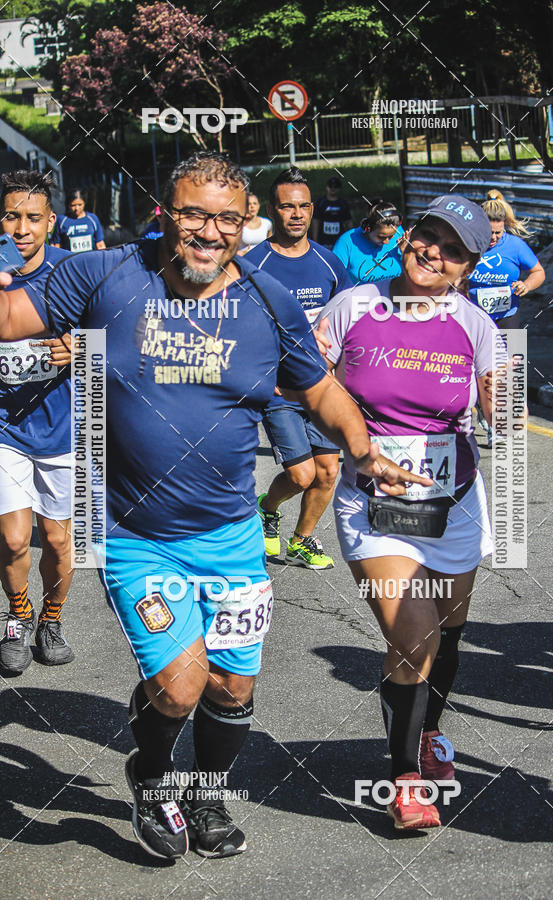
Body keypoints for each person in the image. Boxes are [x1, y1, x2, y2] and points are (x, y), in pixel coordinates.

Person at [0, 151, 426, 860]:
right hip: (136, 534)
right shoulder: (105, 273)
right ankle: (152, 774)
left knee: (232, 687)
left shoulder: (265, 300)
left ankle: (203, 795)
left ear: (245, 223)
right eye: (195, 213)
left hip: (229, 538)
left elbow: (318, 388)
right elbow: (12, 314)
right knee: (179, 686)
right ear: (167, 212)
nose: (209, 231)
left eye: (227, 218)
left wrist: (361, 445)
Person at [318, 194, 504, 831]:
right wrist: (345, 438)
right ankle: (404, 781)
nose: (434, 253)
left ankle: (428, 736)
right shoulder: (354, 306)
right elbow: (309, 384)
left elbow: (500, 411)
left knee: (448, 629)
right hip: (376, 503)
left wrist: (498, 403)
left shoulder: (475, 324)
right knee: (413, 632)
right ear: (407, 237)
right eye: (428, 237)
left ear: (467, 268)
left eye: (453, 250)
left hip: (452, 503)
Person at [247, 167, 352, 570]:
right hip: (279, 390)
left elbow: (348, 324)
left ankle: (303, 539)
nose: (296, 214)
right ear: (273, 210)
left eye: (303, 206)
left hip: (322, 387)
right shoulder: (253, 264)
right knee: (301, 474)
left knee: (327, 473)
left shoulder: (328, 264)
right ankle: (267, 507)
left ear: (313, 209)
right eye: (287, 206)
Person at [0, 170, 75, 674]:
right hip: (5, 428)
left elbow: (124, 333)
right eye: (10, 217)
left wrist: (81, 348)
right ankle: (16, 617)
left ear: (51, 221)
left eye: (32, 218)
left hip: (69, 429)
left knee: (60, 540)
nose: (21, 228)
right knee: (11, 538)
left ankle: (52, 619)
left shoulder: (76, 272)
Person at [467, 189, 545, 329]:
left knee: (515, 351)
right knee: (472, 352)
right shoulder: (467, 244)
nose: (493, 237)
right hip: (473, 317)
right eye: (489, 232)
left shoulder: (516, 245)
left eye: (498, 232)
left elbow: (538, 272)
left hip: (508, 316)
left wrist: (526, 285)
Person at [332, 200, 404, 283]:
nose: (386, 242)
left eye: (391, 236)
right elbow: (333, 278)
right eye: (381, 237)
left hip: (394, 295)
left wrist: (406, 252)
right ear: (368, 229)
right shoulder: (347, 242)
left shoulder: (399, 235)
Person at [311, 176, 352, 250]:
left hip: (339, 241)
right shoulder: (320, 203)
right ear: (327, 187)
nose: (333, 189)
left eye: (335, 187)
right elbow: (315, 222)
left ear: (339, 188)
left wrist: (350, 240)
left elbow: (348, 222)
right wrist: (315, 240)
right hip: (323, 241)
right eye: (330, 186)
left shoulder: (343, 204)